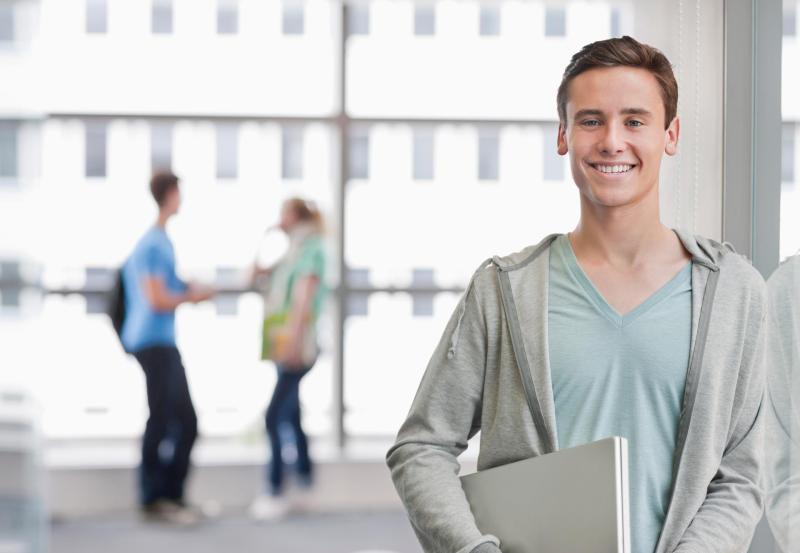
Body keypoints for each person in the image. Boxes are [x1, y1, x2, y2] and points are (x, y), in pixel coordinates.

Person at [387, 36, 767, 553]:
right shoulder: (503, 289)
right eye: (591, 120)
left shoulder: (734, 291)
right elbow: (422, 446)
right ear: (563, 136)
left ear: (669, 135)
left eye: (635, 121)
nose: (612, 141)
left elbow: (740, 475)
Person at [121, 171, 214, 524]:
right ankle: (156, 497)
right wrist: (192, 296)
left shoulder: (158, 241)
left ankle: (166, 495)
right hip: (153, 341)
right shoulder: (154, 243)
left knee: (174, 419)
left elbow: (166, 286)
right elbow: (158, 298)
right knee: (171, 419)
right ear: (171, 194)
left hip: (157, 341)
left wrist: (190, 289)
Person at [249, 197, 327, 521]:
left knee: (274, 416)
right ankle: (306, 481)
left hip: (298, 346)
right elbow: (253, 276)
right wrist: (266, 237)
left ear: (294, 215)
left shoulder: (312, 249)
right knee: (291, 414)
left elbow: (304, 299)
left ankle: (276, 488)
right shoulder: (291, 250)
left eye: (283, 214)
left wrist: (294, 343)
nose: (280, 219)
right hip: (284, 343)